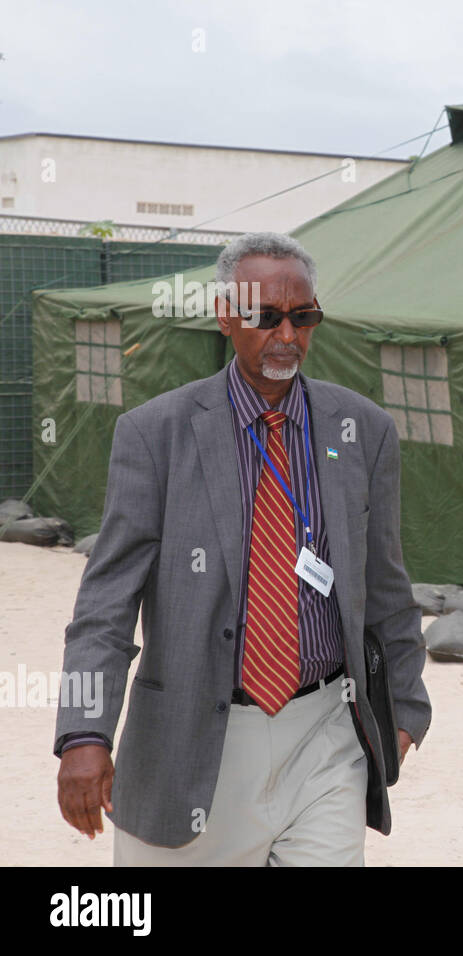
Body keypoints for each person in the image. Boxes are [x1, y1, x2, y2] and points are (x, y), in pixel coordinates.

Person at [54, 232, 432, 866]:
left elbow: (387, 583)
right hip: (196, 744)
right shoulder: (155, 435)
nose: (288, 335)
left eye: (304, 317)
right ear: (226, 316)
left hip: (325, 738)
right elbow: (106, 603)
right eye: (266, 317)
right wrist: (84, 733)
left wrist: (408, 702)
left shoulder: (362, 430)